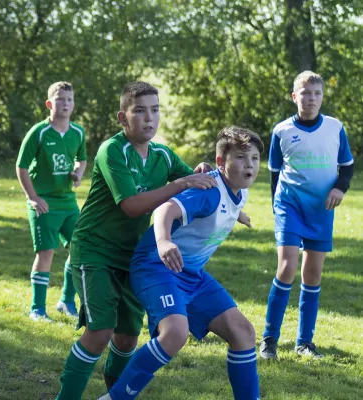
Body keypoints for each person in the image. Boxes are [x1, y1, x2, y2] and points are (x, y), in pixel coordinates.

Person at [56, 81, 218, 400]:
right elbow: (132, 206)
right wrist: (183, 182)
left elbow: (197, 184)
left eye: (155, 110)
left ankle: (115, 396)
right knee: (100, 331)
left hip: (133, 257)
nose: (149, 118)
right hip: (95, 252)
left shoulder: (163, 155)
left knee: (128, 338)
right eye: (140, 111)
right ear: (122, 117)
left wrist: (207, 178)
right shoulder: (112, 150)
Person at [99, 126, 264, 400]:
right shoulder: (208, 189)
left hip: (191, 274)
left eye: (255, 159)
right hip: (157, 266)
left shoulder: (238, 190)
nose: (249, 165)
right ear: (221, 162)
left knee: (243, 332)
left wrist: (238, 214)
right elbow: (165, 209)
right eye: (241, 158)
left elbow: (224, 204)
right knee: (175, 333)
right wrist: (163, 242)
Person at [259, 71, 354, 360]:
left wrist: (339, 189)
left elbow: (347, 166)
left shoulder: (335, 128)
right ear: (294, 96)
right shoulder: (281, 131)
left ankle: (304, 342)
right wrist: (277, 206)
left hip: (322, 209)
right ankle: (269, 341)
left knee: (312, 274)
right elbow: (275, 173)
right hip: (290, 206)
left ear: (322, 96)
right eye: (306, 93)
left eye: (317, 93)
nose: (312, 98)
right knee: (286, 268)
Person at [16, 81, 87, 321]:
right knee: (46, 253)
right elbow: (21, 166)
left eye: (69, 100)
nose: (65, 103)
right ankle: (37, 309)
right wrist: (33, 198)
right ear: (49, 103)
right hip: (43, 201)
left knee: (80, 247)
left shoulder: (78, 132)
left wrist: (77, 173)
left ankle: (66, 301)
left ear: (73, 104)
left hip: (68, 201)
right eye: (60, 99)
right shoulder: (39, 132)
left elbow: (82, 159)